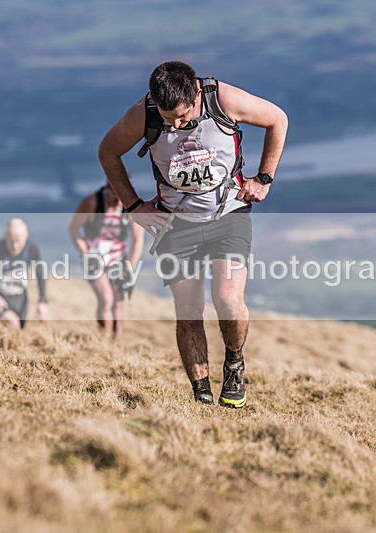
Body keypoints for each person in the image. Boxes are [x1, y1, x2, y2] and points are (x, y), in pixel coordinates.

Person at [98, 60, 287, 407]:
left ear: (196, 93)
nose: (176, 125)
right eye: (168, 119)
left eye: (183, 117)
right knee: (188, 309)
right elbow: (108, 151)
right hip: (174, 221)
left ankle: (234, 359)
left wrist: (264, 178)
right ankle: (202, 396)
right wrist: (133, 206)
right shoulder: (144, 113)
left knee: (228, 300)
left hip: (228, 213)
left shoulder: (223, 100)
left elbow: (278, 119)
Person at [69, 183, 145, 339]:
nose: (117, 201)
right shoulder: (92, 203)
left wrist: (130, 267)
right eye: (114, 196)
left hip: (118, 257)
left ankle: (117, 341)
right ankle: (105, 339)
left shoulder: (131, 206)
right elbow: (73, 229)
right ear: (107, 189)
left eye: (121, 197)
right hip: (94, 256)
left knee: (118, 302)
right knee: (106, 298)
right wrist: (85, 253)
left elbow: (138, 240)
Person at [0, 218, 48, 329]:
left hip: (20, 298)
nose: (14, 246)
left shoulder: (32, 250)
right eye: (11, 241)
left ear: (26, 237)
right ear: (5, 236)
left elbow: (40, 273)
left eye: (18, 241)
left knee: (20, 330)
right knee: (13, 324)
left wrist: (42, 301)